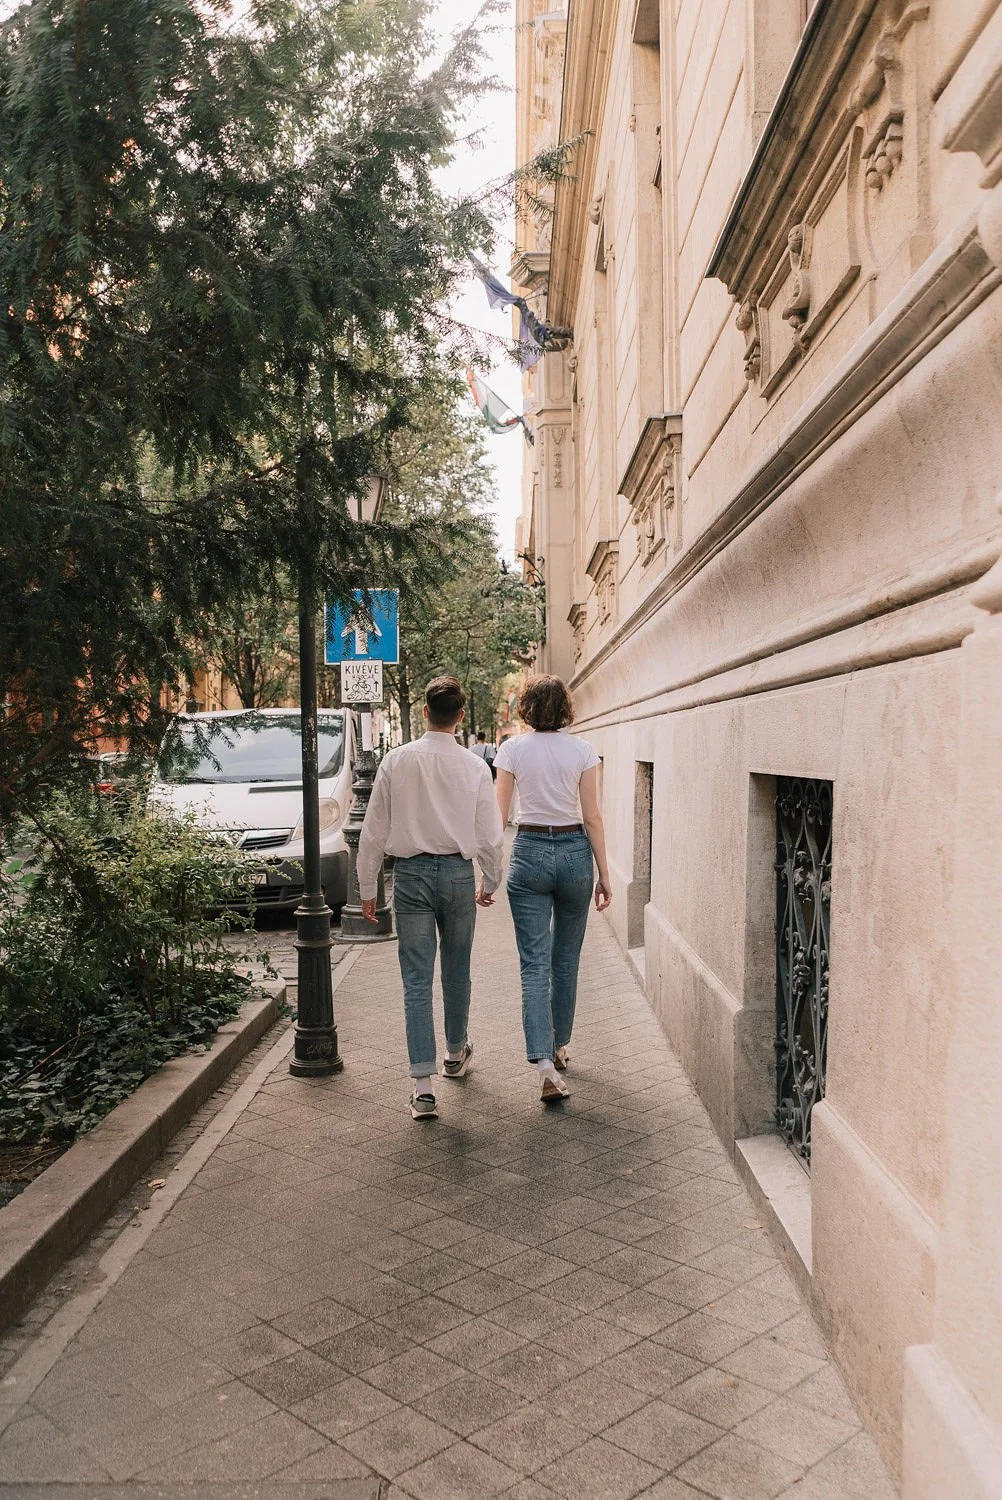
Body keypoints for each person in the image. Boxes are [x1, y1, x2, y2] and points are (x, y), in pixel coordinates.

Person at [357, 676, 504, 1120]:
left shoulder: (396, 761)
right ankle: (455, 1054)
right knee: (457, 970)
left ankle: (423, 1087)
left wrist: (367, 888)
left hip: (411, 877)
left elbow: (374, 828)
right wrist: (491, 881)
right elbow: (490, 835)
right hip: (459, 876)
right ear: (460, 717)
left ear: (424, 711)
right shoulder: (476, 767)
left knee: (416, 980)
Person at [489, 674, 612, 1102]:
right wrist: (604, 873)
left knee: (534, 964)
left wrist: (490, 871)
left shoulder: (512, 749)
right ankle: (560, 1046)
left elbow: (498, 813)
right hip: (576, 852)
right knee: (566, 961)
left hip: (529, 853)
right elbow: (592, 816)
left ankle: (543, 1062)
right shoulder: (581, 750)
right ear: (565, 708)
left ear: (526, 708)